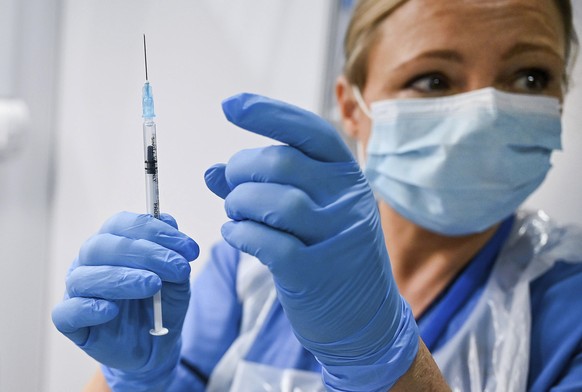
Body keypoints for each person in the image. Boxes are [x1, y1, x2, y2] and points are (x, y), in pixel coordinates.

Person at [52, 0, 582, 390]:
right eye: (433, 80)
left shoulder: (569, 312)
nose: (483, 113)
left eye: (531, 76)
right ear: (350, 107)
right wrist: (136, 380)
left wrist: (379, 358)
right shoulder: (251, 268)